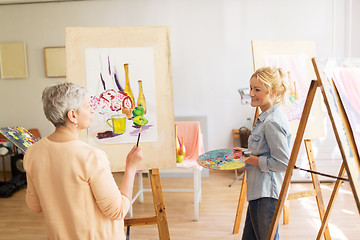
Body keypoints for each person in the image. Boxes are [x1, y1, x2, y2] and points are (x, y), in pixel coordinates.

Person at [24, 82, 142, 240]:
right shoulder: (91, 157)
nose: (92, 110)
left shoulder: (32, 153)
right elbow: (117, 211)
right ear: (72, 115)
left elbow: (34, 206)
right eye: (87, 106)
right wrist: (131, 167)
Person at [234, 67, 291, 240]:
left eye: (257, 89)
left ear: (273, 92)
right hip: (258, 192)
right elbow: (264, 150)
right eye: (251, 88)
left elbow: (282, 163)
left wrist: (250, 159)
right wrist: (245, 153)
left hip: (267, 195)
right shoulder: (265, 118)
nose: (251, 93)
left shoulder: (272, 122)